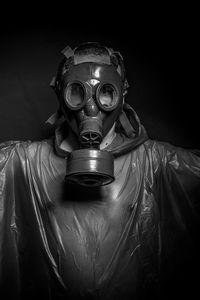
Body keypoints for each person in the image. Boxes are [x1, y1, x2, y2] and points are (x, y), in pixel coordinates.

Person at [0, 42, 200, 300]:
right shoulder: (26, 162)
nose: (91, 108)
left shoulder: (153, 161)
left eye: (105, 93)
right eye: (77, 93)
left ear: (122, 95)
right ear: (61, 95)